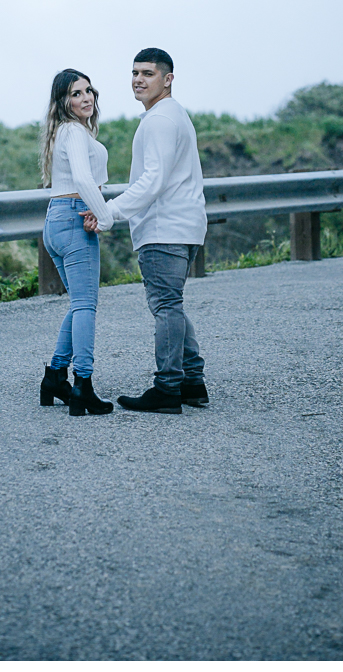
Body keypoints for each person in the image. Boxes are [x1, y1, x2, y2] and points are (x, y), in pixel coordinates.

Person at [83, 48, 208, 414]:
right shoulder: (173, 114)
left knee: (166, 306)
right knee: (172, 304)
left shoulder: (159, 120)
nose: (138, 79)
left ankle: (168, 388)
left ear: (167, 79)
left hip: (164, 227)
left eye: (148, 73)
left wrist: (109, 212)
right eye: (135, 72)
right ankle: (192, 382)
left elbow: (153, 181)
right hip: (182, 226)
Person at [38, 69, 115, 417]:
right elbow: (84, 179)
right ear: (63, 102)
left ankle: (55, 376)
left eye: (88, 91)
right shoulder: (73, 131)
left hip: (57, 219)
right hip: (73, 219)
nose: (85, 98)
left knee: (78, 304)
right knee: (86, 306)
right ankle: (82, 385)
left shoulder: (67, 132)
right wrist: (106, 216)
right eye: (75, 94)